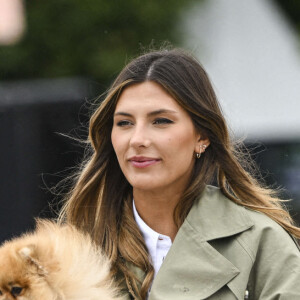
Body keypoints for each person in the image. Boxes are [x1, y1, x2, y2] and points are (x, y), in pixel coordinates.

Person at [59, 48, 300, 300]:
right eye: (124, 123)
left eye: (161, 121)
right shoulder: (76, 248)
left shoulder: (261, 241)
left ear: (202, 136)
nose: (137, 139)